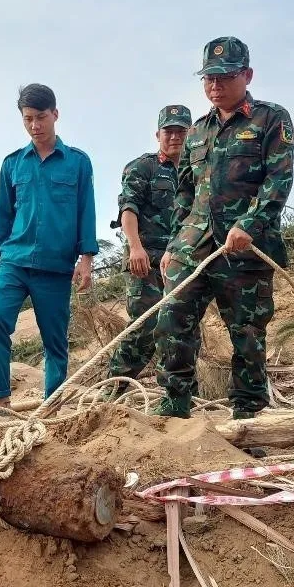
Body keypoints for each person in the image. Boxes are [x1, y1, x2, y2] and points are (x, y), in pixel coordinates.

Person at [154, 36, 294, 420]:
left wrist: (249, 224)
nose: (215, 86)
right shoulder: (197, 131)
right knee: (171, 323)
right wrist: (173, 243)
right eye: (208, 78)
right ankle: (175, 404)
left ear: (247, 75)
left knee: (247, 335)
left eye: (225, 77)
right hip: (194, 247)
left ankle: (248, 418)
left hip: (246, 251)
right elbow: (185, 191)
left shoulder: (270, 119)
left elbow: (278, 181)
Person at [0, 83, 98, 413]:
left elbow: (86, 211)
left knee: (55, 342)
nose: (35, 125)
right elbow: (2, 215)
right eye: (28, 118)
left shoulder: (77, 163)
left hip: (56, 267)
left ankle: (51, 408)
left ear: (55, 115)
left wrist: (86, 259)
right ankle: (0, 398)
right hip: (14, 261)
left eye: (41, 117)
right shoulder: (13, 164)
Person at [104, 104, 193, 398]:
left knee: (184, 329)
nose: (175, 137)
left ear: (191, 133)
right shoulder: (143, 167)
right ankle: (111, 391)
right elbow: (128, 208)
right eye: (170, 131)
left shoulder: (198, 171)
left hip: (184, 262)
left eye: (182, 131)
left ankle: (182, 398)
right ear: (158, 134)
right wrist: (135, 248)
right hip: (147, 261)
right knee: (143, 329)